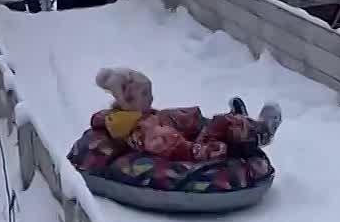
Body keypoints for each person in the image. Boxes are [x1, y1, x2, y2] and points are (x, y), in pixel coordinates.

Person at [71, 67, 282, 171]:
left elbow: (169, 122)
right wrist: (221, 147)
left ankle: (238, 122)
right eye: (146, 95)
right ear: (129, 101)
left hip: (185, 139)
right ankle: (259, 131)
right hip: (199, 152)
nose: (152, 98)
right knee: (221, 124)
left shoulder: (130, 119)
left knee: (178, 115)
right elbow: (181, 149)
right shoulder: (147, 131)